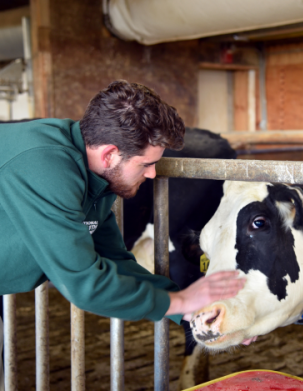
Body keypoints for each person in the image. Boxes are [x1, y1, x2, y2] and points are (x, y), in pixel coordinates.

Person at [0, 80, 247, 339]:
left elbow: (115, 261)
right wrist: (182, 301)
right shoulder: (46, 168)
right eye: (145, 164)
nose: (152, 174)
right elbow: (86, 285)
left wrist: (190, 306)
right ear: (109, 155)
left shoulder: (93, 176)